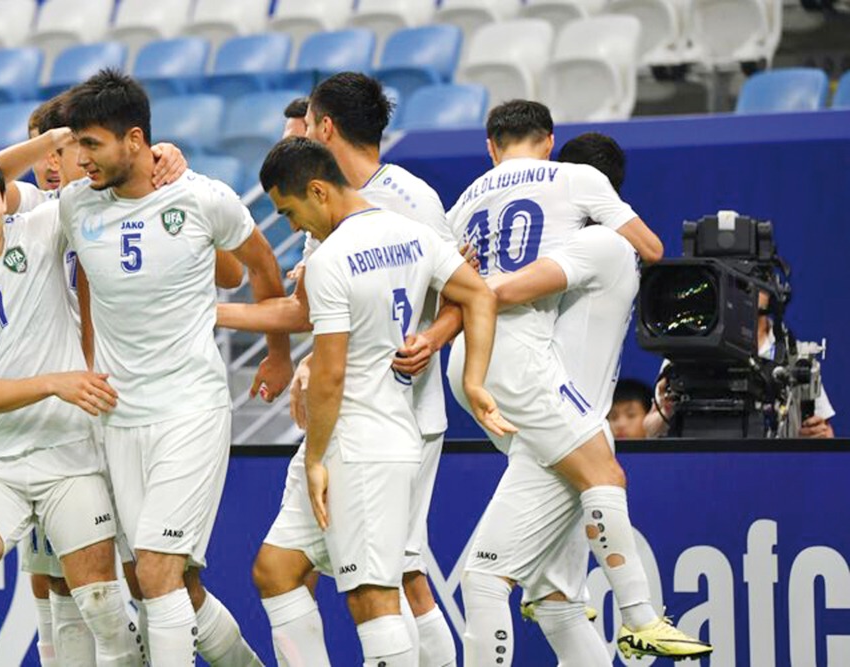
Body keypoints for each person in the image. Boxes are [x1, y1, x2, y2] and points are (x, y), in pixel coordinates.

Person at [442, 102, 711, 664]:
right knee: (603, 472)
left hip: (492, 373)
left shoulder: (466, 202)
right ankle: (639, 618)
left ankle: (629, 620)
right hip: (543, 387)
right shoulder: (602, 239)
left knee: (538, 592)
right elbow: (653, 247)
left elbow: (460, 287)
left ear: (491, 146)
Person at [220, 72, 465, 667]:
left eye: (301, 129)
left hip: (399, 412)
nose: (295, 140)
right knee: (283, 568)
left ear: (323, 128)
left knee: (398, 579)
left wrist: (430, 339)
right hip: (340, 420)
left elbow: (465, 291)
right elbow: (314, 311)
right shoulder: (323, 213)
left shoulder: (408, 198)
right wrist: (231, 323)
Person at [58, 69, 292, 666]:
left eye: (91, 144)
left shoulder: (201, 197)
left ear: (134, 139)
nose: (79, 159)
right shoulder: (73, 205)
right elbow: (6, 208)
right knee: (160, 582)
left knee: (158, 570)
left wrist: (278, 353)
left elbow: (261, 273)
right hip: (120, 418)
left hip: (190, 409)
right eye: (75, 143)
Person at [258, 136, 511, 667]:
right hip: (381, 433)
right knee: (275, 569)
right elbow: (479, 294)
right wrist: (474, 380)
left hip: (358, 445)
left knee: (374, 596)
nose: (292, 227)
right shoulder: (412, 236)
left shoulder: (329, 261)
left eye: (290, 211)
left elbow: (329, 375)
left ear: (318, 191)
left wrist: (316, 458)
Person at [0, 134, 142, 666]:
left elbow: (117, 178)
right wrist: (54, 382)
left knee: (103, 606)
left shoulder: (41, 226)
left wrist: (162, 150)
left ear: (5, 197)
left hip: (70, 458)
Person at [643, 289, 837, 438]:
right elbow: (650, 430)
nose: (747, 292)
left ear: (769, 290)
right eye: (738, 283)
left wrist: (817, 436)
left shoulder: (796, 356)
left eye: (753, 280)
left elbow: (825, 434)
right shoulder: (685, 354)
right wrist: (666, 411)